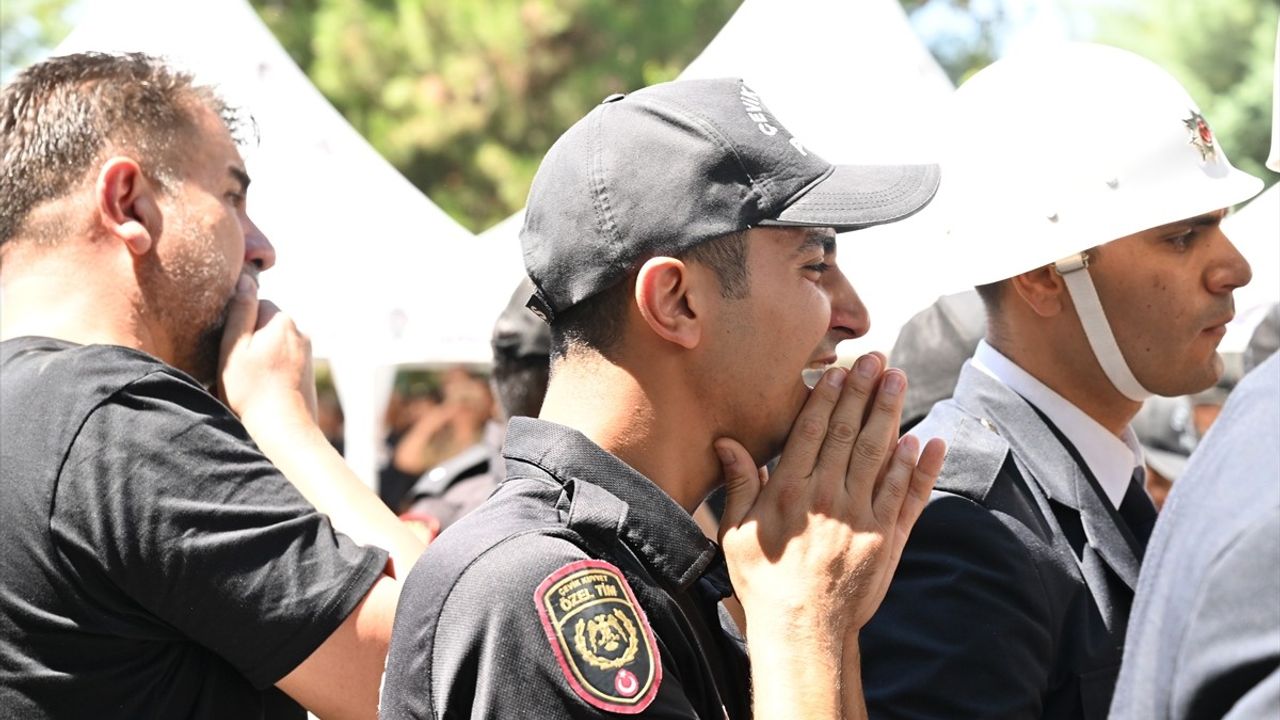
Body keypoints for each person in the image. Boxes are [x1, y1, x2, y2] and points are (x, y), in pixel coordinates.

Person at [380, 77, 947, 718]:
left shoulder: (659, 567)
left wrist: (830, 621)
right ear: (675, 301)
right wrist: (801, 623)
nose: (855, 316)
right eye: (814, 265)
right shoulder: (538, 589)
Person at [0, 52, 423, 719]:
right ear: (127, 203)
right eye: (231, 195)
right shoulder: (120, 423)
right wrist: (286, 424)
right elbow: (448, 669)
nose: (260, 247)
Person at [860, 43, 1262, 719]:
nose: (1235, 268)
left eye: (1219, 226)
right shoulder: (963, 522)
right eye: (1182, 236)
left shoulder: (1077, 479)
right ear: (1043, 274)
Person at [398, 277, 552, 534]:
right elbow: (407, 459)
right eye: (459, 401)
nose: (463, 408)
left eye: (469, 401)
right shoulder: (451, 495)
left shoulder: (479, 450)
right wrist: (443, 414)